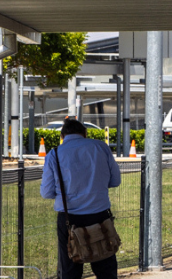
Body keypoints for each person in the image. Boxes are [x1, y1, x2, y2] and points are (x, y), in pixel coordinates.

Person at [41, 118, 122, 279]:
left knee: (70, 268)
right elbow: (115, 181)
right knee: (106, 266)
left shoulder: (54, 154)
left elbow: (46, 192)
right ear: (85, 133)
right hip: (100, 216)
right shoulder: (100, 147)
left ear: (62, 136)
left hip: (69, 219)